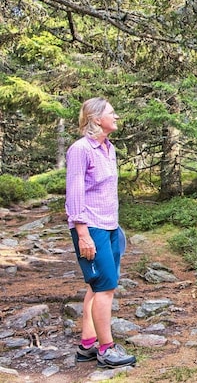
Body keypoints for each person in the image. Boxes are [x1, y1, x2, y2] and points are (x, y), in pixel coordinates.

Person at [65, 97, 136, 369]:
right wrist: (83, 234)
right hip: (91, 227)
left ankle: (87, 345)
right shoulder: (80, 150)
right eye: (111, 113)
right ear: (96, 119)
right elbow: (74, 194)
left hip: (110, 226)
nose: (116, 117)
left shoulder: (109, 148)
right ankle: (106, 350)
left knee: (96, 287)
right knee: (106, 288)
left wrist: (115, 227)